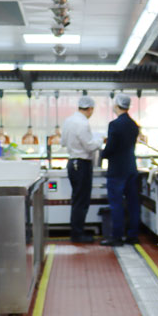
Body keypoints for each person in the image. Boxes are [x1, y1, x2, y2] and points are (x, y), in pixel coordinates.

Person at [100, 94, 141, 246]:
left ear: (116, 105)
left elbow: (111, 147)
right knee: (133, 203)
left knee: (116, 203)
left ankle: (116, 237)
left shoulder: (114, 124)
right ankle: (133, 236)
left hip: (117, 169)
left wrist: (102, 154)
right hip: (131, 167)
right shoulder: (134, 125)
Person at [61, 95, 101, 243]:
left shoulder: (68, 120)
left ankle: (77, 232)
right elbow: (90, 146)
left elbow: (63, 142)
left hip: (72, 163)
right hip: (82, 164)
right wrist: (100, 140)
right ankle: (78, 235)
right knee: (82, 200)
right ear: (90, 109)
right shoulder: (83, 124)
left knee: (77, 199)